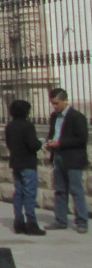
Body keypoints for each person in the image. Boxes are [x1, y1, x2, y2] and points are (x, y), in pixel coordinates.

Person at [44, 87, 88, 233]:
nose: (54, 106)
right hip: (58, 156)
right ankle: (60, 220)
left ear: (64, 100)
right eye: (52, 103)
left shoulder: (77, 117)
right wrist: (49, 143)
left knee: (76, 190)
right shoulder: (54, 117)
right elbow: (52, 133)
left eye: (57, 103)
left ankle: (81, 221)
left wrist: (60, 142)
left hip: (73, 158)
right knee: (60, 190)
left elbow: (82, 139)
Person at [5, 99, 45, 236]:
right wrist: (40, 143)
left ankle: (19, 221)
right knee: (29, 193)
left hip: (16, 162)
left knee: (19, 193)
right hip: (28, 162)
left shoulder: (10, 126)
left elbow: (9, 144)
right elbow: (32, 145)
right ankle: (31, 223)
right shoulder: (27, 126)